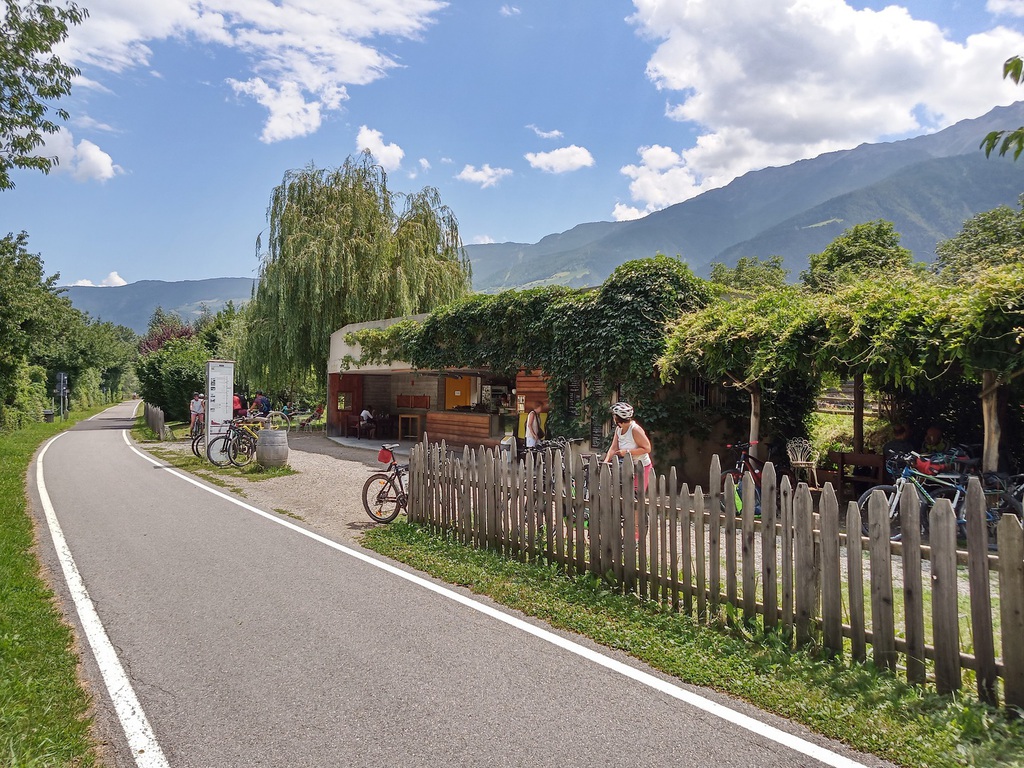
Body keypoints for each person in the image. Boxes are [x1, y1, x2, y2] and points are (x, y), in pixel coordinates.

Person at [604, 401, 653, 493]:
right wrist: (606, 462)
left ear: (617, 418)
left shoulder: (635, 429)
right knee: (624, 495)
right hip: (628, 467)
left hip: (641, 467)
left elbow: (647, 448)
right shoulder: (619, 429)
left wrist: (626, 452)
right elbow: (613, 448)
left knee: (635, 496)